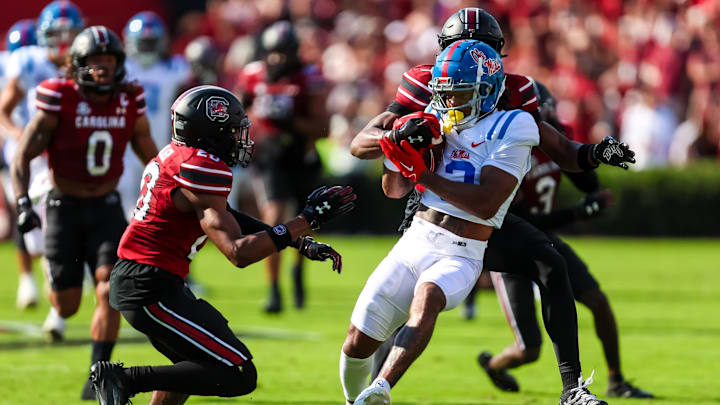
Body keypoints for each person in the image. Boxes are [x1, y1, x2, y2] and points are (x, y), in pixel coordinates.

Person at [350, 8, 633, 405]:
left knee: (551, 264)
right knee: (398, 304)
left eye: (480, 50)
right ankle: (374, 387)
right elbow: (360, 143)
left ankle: (572, 390)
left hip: (487, 210)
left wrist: (596, 152)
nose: (467, 56)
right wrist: (398, 134)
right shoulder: (423, 82)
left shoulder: (513, 91)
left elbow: (560, 149)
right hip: (431, 209)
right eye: (458, 49)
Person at [89, 85, 356, 405]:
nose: (239, 138)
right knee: (237, 372)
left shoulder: (180, 156)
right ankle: (123, 378)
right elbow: (237, 252)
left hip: (152, 280)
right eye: (231, 130)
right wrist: (305, 220)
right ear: (207, 133)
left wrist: (300, 242)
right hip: (149, 287)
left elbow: (229, 215)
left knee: (193, 366)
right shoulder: (200, 166)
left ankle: (125, 381)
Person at [10, 25, 158, 400]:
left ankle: (98, 375)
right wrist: (23, 202)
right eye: (95, 62)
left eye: (109, 61)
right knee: (67, 304)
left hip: (106, 205)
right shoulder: (58, 96)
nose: (103, 68)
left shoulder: (129, 99)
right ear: (78, 64)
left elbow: (151, 154)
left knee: (110, 288)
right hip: (63, 206)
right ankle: (54, 283)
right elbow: (23, 154)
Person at [478, 81, 653, 399]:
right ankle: (494, 365)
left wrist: (567, 143)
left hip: (545, 240)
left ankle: (616, 379)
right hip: (511, 243)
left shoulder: (551, 141)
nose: (546, 115)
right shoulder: (509, 148)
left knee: (598, 301)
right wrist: (578, 215)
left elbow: (589, 183)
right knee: (529, 350)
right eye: (545, 111)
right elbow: (521, 220)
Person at [235, 20, 330, 313]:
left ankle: (298, 272)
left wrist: (291, 121)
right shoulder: (253, 74)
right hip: (270, 157)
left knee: (304, 220)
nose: (278, 59)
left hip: (301, 156)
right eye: (273, 52)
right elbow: (237, 111)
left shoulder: (308, 77)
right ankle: (274, 290)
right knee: (274, 220)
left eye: (284, 52)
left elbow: (322, 127)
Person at [0, 1, 84, 325]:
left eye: (69, 34)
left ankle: (57, 311)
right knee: (33, 234)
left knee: (55, 230)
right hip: (29, 154)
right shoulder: (26, 62)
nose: (63, 40)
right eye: (56, 34)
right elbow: (4, 111)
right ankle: (37, 282)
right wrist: (18, 136)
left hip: (65, 155)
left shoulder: (86, 62)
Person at [118, 11, 191, 218]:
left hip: (162, 143)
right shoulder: (122, 67)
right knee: (125, 197)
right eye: (144, 42)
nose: (148, 47)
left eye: (152, 42)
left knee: (156, 199)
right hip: (126, 145)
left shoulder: (175, 67)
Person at [0, 18, 39, 308]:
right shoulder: (14, 68)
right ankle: (27, 279)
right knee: (22, 212)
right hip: (16, 149)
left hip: (44, 148)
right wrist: (15, 134)